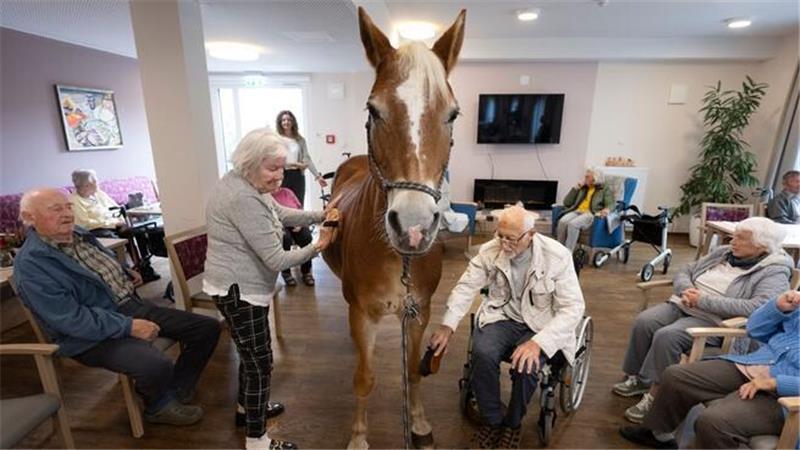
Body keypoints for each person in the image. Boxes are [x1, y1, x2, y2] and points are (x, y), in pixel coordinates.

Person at [13, 188, 221, 426]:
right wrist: (128, 326)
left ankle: (174, 389)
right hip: (87, 335)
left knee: (207, 328)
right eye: (56, 209)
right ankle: (157, 407)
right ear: (30, 218)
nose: (67, 214)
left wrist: (123, 272)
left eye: (68, 206)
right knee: (154, 364)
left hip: (128, 305)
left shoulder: (78, 234)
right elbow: (71, 320)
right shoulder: (32, 266)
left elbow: (93, 266)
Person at [204, 127, 339, 450]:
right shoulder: (241, 197)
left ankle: (245, 409)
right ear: (250, 163)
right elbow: (277, 259)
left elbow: (279, 212)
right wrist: (320, 244)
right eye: (273, 168)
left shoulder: (246, 182)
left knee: (250, 356)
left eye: (282, 167)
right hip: (239, 291)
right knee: (260, 362)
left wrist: (321, 214)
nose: (280, 176)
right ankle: (257, 441)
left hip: (237, 286)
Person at [428, 204, 585, 449]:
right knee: (482, 353)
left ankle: (512, 424)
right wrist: (448, 325)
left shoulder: (557, 256)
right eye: (500, 236)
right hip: (501, 317)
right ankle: (492, 421)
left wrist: (537, 343)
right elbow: (466, 286)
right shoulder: (490, 251)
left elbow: (573, 308)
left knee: (526, 366)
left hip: (539, 325)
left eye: (511, 239)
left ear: (530, 235)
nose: (504, 244)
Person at [613, 216, 792, 423]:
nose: (732, 241)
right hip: (684, 303)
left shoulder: (774, 272)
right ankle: (639, 379)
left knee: (667, 336)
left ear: (762, 245)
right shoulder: (724, 253)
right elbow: (685, 270)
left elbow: (757, 308)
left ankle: (656, 397)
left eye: (740, 238)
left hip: (714, 320)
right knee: (645, 321)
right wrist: (685, 290)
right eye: (733, 236)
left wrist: (704, 301)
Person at [619, 291, 799, 449]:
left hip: (786, 396)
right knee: (676, 376)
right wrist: (777, 307)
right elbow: (754, 330)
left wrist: (776, 382)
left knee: (712, 422)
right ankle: (658, 435)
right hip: (759, 365)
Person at [275, 110, 327, 206]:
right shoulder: (276, 140)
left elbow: (307, 159)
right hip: (283, 176)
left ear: (293, 122)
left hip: (298, 176)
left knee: (298, 205)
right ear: (280, 123)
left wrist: (318, 177)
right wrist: (294, 164)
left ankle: (300, 222)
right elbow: (275, 160)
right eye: (283, 120)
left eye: (289, 120)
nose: (286, 122)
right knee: (284, 206)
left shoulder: (300, 140)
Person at [556, 168, 614, 251]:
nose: (585, 178)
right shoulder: (583, 187)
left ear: (594, 178)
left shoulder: (604, 189)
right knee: (562, 221)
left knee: (573, 224)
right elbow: (567, 202)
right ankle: (559, 249)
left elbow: (611, 203)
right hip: (577, 211)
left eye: (587, 177)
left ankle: (568, 252)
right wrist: (575, 188)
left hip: (590, 213)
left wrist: (607, 210)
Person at [272, 187, 315, 287]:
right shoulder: (266, 196)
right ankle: (286, 272)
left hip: (295, 222)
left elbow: (299, 209)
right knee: (285, 239)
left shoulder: (287, 192)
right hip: (279, 224)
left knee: (306, 238)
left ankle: (306, 271)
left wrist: (300, 223)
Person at [69, 169, 125, 236]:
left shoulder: (98, 193)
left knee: (138, 230)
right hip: (97, 230)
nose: (97, 183)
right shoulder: (74, 200)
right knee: (109, 235)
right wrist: (113, 223)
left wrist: (123, 221)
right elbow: (84, 224)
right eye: (95, 181)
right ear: (86, 185)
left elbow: (117, 208)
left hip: (115, 224)